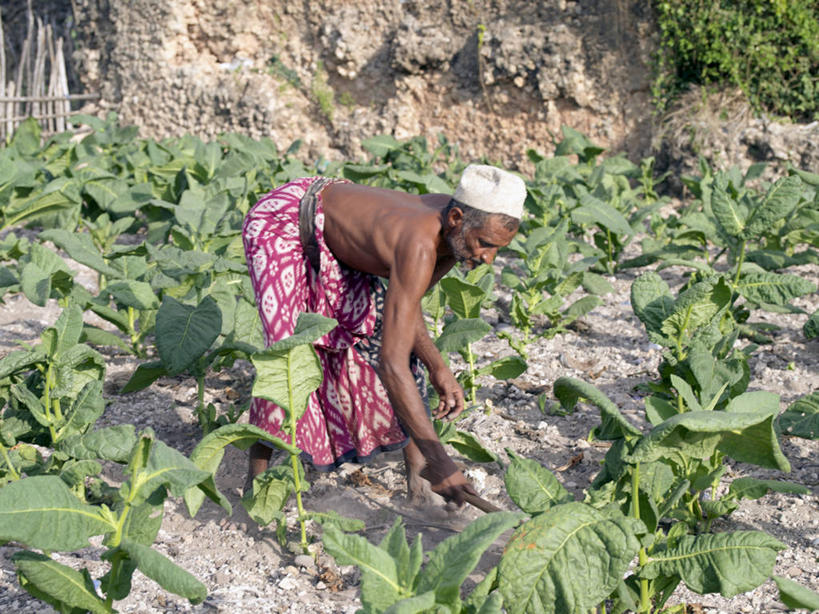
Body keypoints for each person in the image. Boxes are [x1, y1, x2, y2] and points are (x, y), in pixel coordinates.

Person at [242, 164, 525, 506]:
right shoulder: (420, 243)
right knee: (286, 357)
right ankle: (256, 487)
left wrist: (437, 365)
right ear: (456, 218)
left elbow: (408, 305)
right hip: (284, 222)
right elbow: (390, 365)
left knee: (386, 337)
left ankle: (419, 487)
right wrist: (442, 460)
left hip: (332, 229)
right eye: (485, 244)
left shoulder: (457, 236)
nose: (488, 258)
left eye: (497, 248)